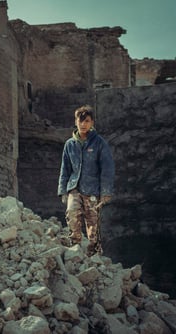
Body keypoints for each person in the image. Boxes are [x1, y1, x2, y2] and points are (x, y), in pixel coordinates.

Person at [58, 105, 115, 255]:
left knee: (92, 224)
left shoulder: (99, 143)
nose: (83, 124)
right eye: (80, 121)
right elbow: (65, 169)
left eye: (87, 121)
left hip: (92, 190)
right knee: (71, 214)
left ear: (92, 123)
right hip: (74, 187)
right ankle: (74, 248)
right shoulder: (69, 144)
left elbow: (107, 168)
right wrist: (63, 191)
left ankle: (93, 254)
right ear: (76, 121)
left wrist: (106, 192)